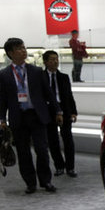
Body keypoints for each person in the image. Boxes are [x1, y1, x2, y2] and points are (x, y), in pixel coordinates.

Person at [0, 37, 62, 193]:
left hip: (37, 115)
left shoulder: (36, 71)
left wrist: (58, 111)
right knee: (23, 152)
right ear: (11, 53)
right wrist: (2, 118)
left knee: (42, 149)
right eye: (19, 48)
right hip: (18, 117)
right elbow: (3, 98)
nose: (23, 51)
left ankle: (46, 181)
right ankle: (30, 183)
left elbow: (48, 92)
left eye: (24, 47)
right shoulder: (4, 74)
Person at [43, 50, 78, 178]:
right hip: (48, 111)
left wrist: (73, 112)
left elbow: (69, 95)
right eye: (52, 59)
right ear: (45, 62)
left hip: (65, 110)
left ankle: (70, 167)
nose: (55, 62)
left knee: (68, 140)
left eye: (56, 59)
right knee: (52, 141)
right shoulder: (41, 77)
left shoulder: (64, 77)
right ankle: (59, 166)